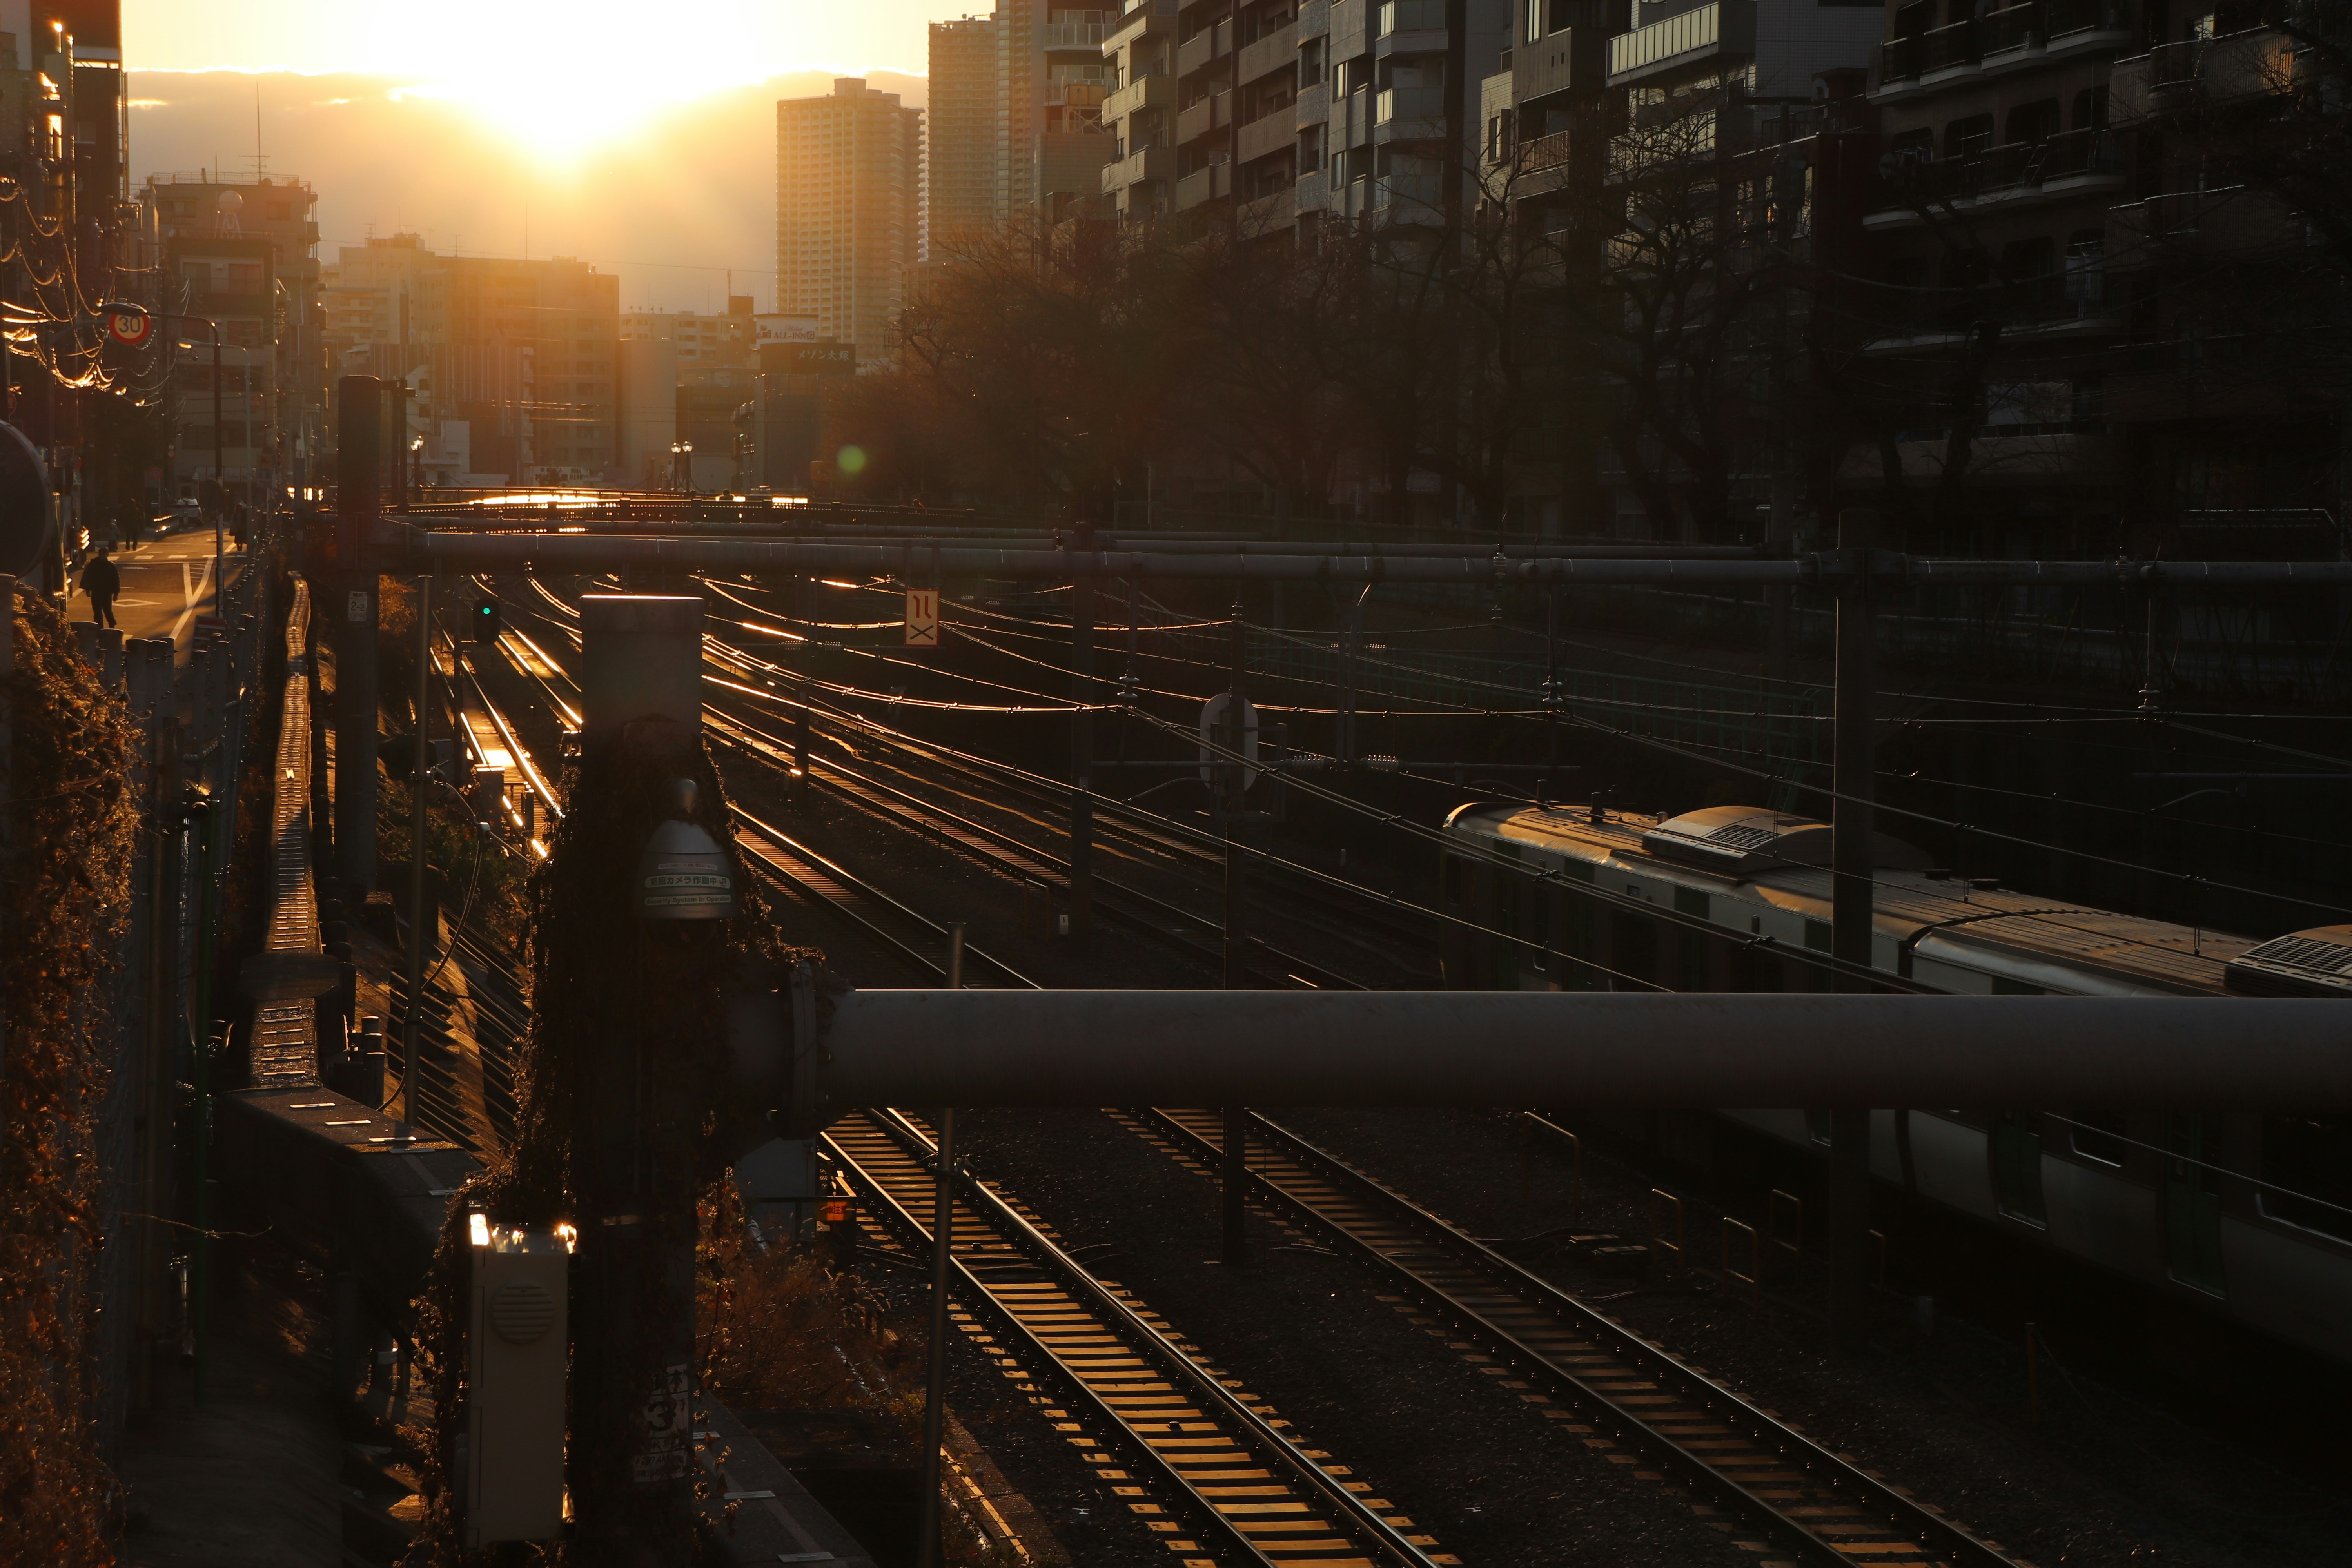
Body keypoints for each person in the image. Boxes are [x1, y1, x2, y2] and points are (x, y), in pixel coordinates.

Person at [80, 547, 119, 629]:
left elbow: (116, 580)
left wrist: (116, 594)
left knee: (107, 610)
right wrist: (88, 590)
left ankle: (111, 625)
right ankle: (101, 627)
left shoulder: (108, 566)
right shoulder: (97, 565)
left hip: (105, 592)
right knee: (99, 611)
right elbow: (88, 577)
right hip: (98, 591)